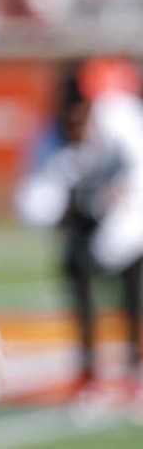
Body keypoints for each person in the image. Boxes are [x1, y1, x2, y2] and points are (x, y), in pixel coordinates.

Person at [15, 57, 143, 410]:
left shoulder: (121, 121)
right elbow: (32, 203)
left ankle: (136, 370)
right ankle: (89, 375)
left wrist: (115, 231)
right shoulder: (48, 137)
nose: (75, 127)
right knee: (79, 286)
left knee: (133, 292)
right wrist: (65, 213)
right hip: (83, 220)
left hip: (130, 217)